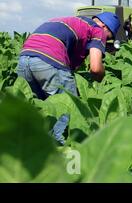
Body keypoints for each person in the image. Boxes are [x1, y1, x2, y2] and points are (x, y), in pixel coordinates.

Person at [17, 12, 120, 144]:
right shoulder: (98, 30)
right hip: (49, 59)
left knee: (41, 112)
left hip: (24, 59)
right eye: (108, 37)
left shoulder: (73, 21)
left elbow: (71, 64)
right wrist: (100, 79)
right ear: (105, 27)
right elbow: (95, 68)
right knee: (67, 114)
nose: (105, 41)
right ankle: (61, 156)